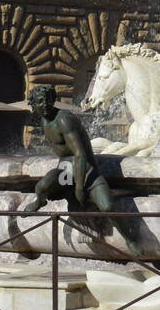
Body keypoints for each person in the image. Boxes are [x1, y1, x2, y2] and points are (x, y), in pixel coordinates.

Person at [22, 85, 148, 256]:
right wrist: (66, 183)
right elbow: (64, 157)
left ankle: (130, 239)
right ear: (33, 104)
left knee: (108, 206)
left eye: (47, 101)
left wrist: (80, 187)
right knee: (42, 187)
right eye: (39, 102)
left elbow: (80, 154)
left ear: (53, 101)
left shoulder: (64, 120)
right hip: (66, 169)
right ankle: (39, 202)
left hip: (86, 169)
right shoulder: (45, 121)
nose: (44, 105)